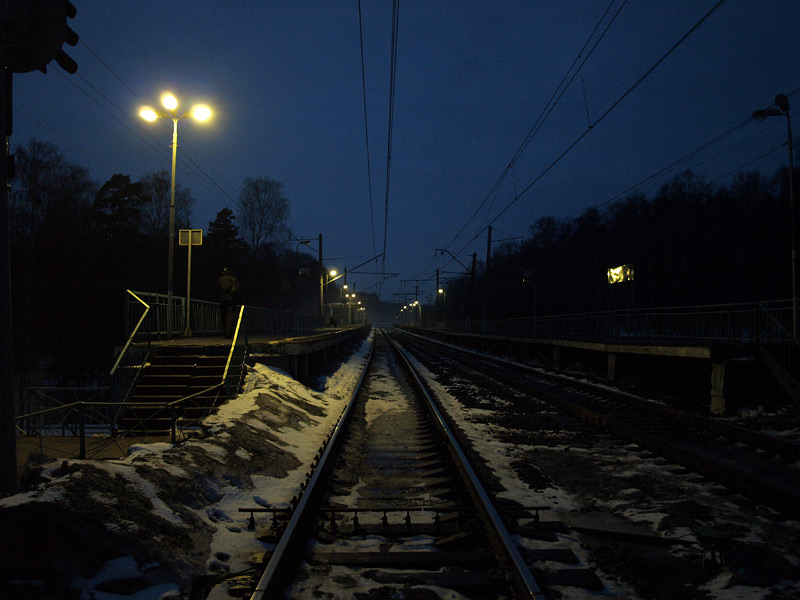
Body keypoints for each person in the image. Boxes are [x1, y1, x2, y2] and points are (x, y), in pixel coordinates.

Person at [218, 267, 241, 337]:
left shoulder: (220, 280)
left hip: (222, 299)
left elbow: (217, 289)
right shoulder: (232, 279)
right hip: (230, 299)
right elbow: (236, 289)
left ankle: (224, 331)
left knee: (223, 315)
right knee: (230, 316)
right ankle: (229, 331)